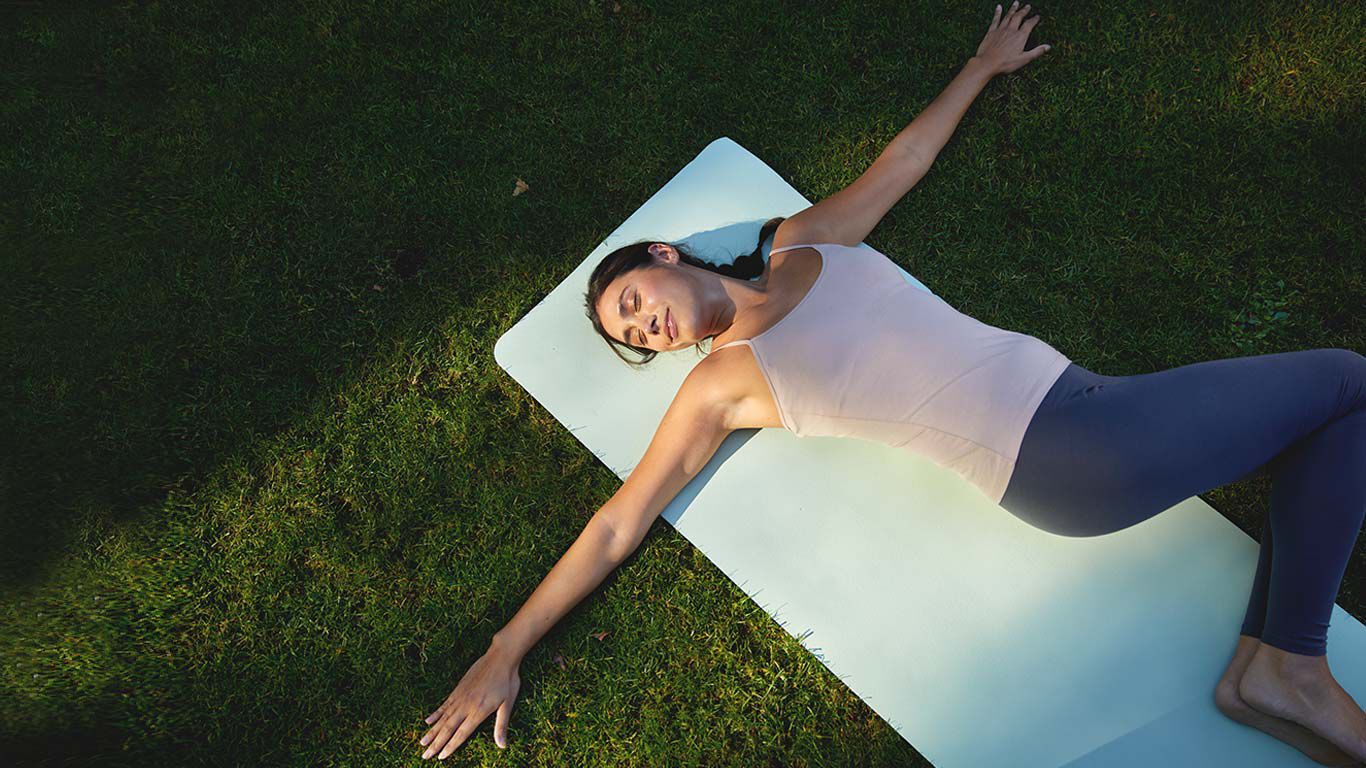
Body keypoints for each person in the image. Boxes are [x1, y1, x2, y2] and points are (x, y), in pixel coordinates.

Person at [418, 4, 1366, 763]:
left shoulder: (801, 244)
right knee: (1347, 384)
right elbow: (618, 522)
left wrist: (981, 66)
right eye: (634, 336)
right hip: (1066, 451)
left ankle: (1268, 669)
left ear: (664, 256)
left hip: (1084, 412)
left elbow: (897, 165)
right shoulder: (724, 386)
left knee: (1326, 414)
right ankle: (1290, 665)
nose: (647, 326)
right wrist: (504, 652)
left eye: (633, 299)